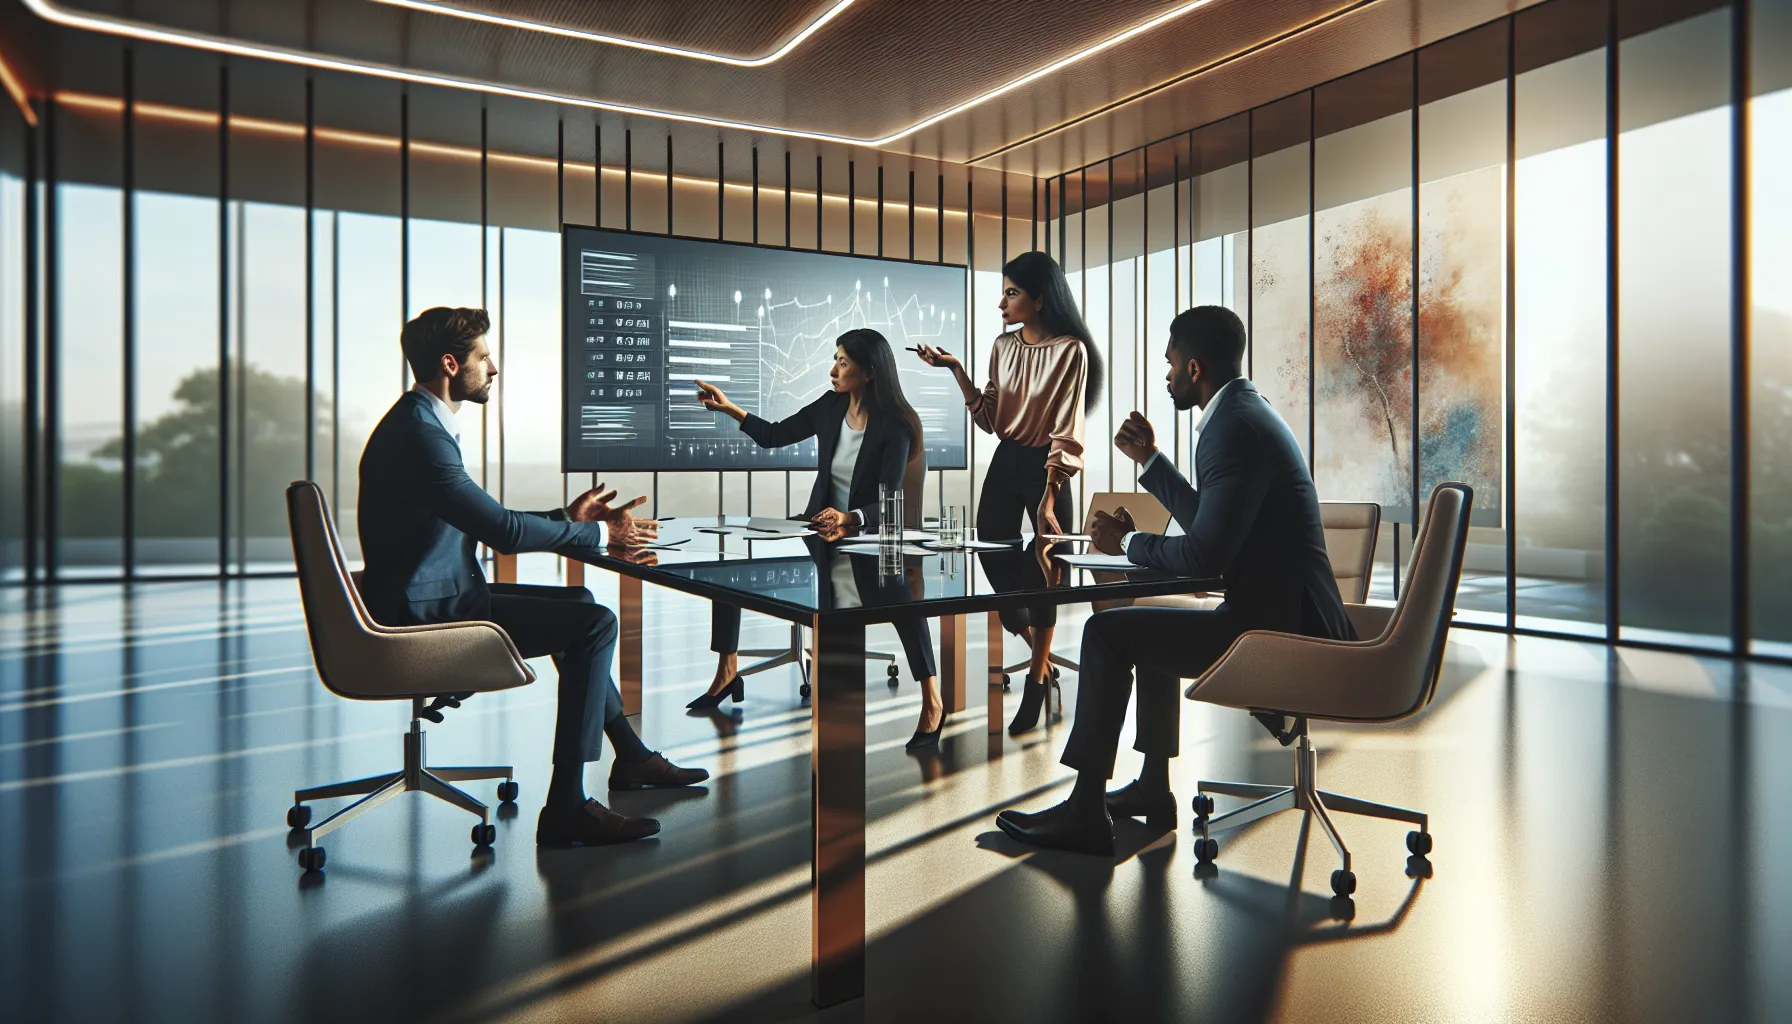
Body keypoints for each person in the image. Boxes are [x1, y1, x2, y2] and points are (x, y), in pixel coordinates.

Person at [996, 305, 1356, 855]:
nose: (1165, 376)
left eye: (1169, 364)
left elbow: (1206, 557)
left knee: (1108, 633)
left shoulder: (1231, 429)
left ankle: (1086, 810)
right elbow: (1216, 527)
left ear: (1194, 368)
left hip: (1277, 634)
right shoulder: (1244, 413)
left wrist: (1128, 543)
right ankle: (1152, 789)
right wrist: (1152, 461)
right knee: (1145, 630)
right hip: (1280, 615)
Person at [358, 306, 709, 850]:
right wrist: (599, 537)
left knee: (579, 602)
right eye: (483, 357)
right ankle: (567, 806)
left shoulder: (419, 423)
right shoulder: (421, 437)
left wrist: (569, 519)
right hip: (423, 612)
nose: (493, 368)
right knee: (592, 623)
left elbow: (485, 519)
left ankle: (633, 758)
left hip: (433, 590)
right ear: (451, 365)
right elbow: (502, 533)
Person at [690, 328, 946, 748]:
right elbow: (774, 435)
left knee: (902, 599)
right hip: (818, 526)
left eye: (843, 362)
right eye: (836, 359)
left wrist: (851, 516)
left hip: (871, 535)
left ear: (868, 372)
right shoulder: (830, 407)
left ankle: (933, 701)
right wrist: (729, 409)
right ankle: (727, 668)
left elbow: (891, 499)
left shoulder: (895, 426)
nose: (833, 369)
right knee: (732, 561)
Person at [914, 250, 1102, 736]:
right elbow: (990, 419)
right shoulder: (1002, 345)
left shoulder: (1070, 351)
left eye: (1012, 293)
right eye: (1003, 292)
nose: (1002, 302)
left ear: (1040, 299)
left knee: (1044, 567)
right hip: (1008, 456)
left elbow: (1067, 425)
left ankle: (1038, 676)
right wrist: (957, 371)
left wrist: (1050, 491)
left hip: (1049, 466)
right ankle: (1038, 653)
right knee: (992, 547)